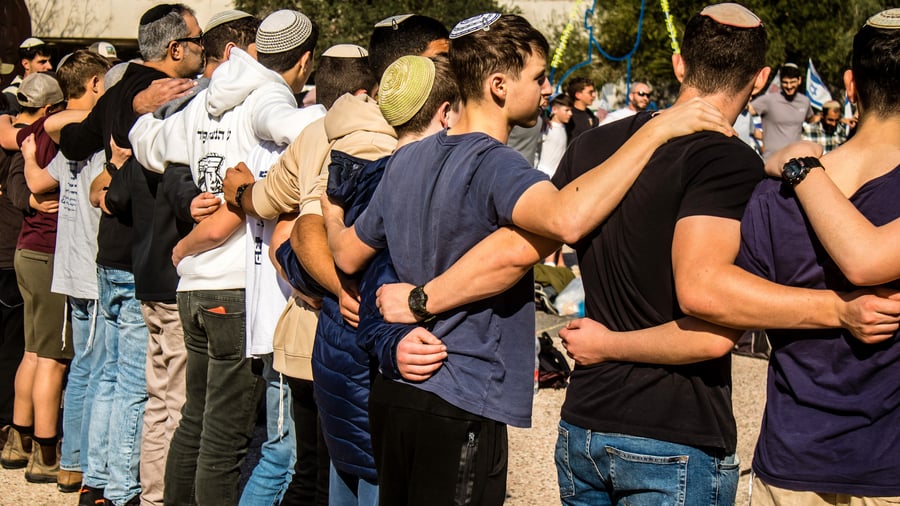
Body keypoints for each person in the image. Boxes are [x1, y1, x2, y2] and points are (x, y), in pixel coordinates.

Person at [322, 12, 738, 506]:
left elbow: (347, 252)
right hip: (462, 391)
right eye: (538, 78)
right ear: (499, 85)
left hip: (396, 394)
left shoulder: (407, 157)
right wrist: (656, 131)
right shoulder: (498, 164)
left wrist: (326, 211)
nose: (547, 89)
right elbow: (567, 219)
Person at [129, 10, 324, 504]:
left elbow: (146, 143)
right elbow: (298, 126)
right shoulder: (266, 96)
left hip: (193, 285)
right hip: (237, 286)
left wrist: (140, 110)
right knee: (224, 437)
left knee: (194, 420)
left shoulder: (201, 104)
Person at [745, 9, 900, 503]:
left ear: (850, 84)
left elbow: (731, 309)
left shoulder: (774, 195)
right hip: (887, 465)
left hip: (792, 459)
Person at [57, 5, 203, 505]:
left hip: (110, 254)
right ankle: (119, 490)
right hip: (138, 256)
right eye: (199, 43)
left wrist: (106, 147)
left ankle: (94, 480)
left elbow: (73, 140)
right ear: (175, 48)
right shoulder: (165, 95)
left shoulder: (120, 89)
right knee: (137, 386)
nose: (204, 55)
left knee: (109, 374)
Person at [19, 49, 112, 494]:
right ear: (95, 84)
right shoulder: (93, 135)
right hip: (90, 267)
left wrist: (28, 156)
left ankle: (71, 460)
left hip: (71, 265)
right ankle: (83, 465)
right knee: (94, 371)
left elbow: (43, 180)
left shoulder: (68, 134)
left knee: (78, 368)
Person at [0, 71, 67, 486]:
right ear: (50, 108)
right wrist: (34, 198)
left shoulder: (20, 134)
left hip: (26, 252)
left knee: (30, 352)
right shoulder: (47, 135)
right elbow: (20, 186)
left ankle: (17, 443)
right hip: (44, 254)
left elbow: (12, 186)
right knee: (52, 359)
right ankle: (45, 454)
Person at [750, 62, 813, 158]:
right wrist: (754, 131)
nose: (789, 86)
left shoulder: (805, 101)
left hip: (794, 162)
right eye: (785, 82)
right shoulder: (768, 100)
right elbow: (746, 110)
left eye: (792, 82)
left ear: (799, 80)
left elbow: (811, 119)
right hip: (771, 160)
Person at [1, 38, 52, 115]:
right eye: (42, 62)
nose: (49, 66)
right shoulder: (11, 96)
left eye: (49, 61)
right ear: (26, 64)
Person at [536, 94, 573, 178]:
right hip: (544, 176)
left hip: (558, 177)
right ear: (554, 109)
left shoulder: (564, 127)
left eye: (571, 110)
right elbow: (535, 149)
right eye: (566, 110)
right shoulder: (546, 127)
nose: (570, 113)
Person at [564, 76, 598, 141]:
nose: (594, 95)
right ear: (578, 95)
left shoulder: (590, 114)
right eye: (590, 92)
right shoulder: (568, 116)